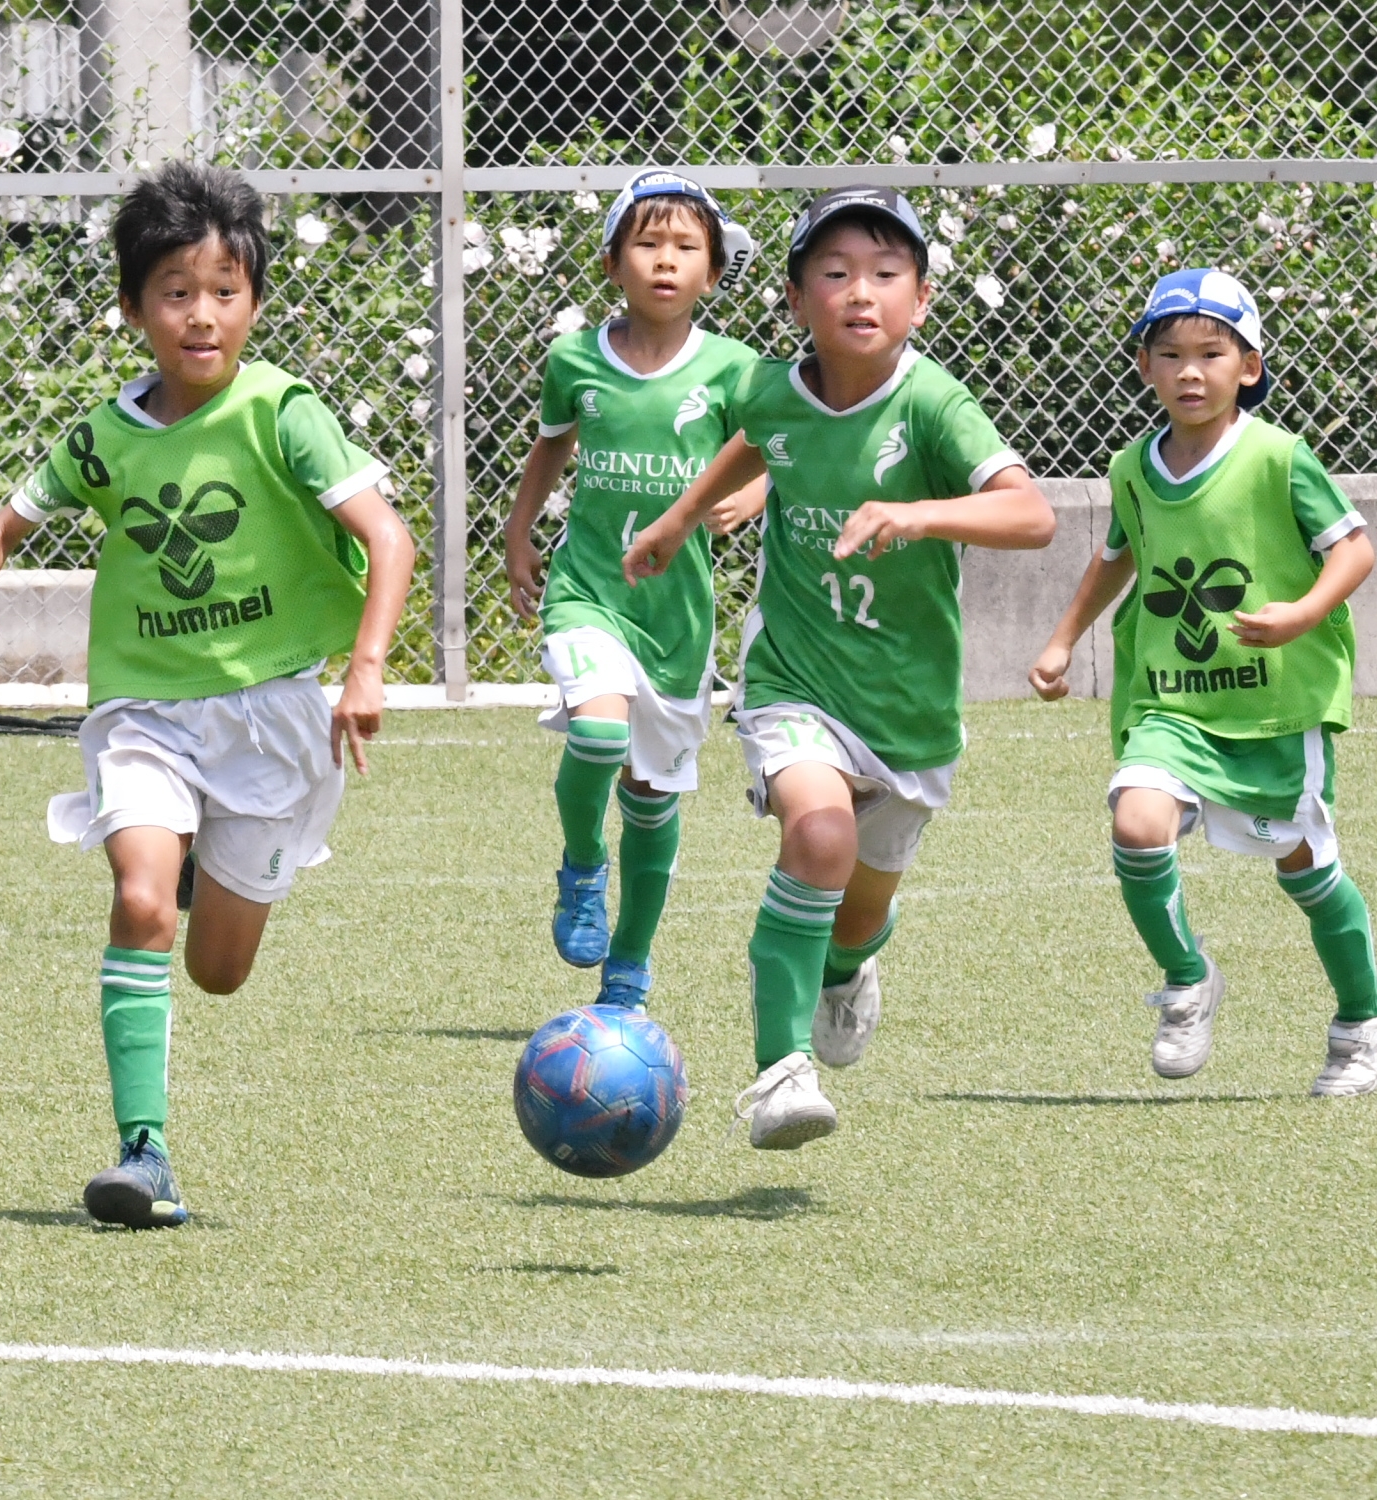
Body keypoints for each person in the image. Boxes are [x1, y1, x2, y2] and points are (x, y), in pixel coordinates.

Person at [0, 163, 416, 1226]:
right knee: (141, 900)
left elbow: (388, 538)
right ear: (132, 308)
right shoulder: (104, 437)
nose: (203, 315)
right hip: (143, 710)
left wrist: (366, 669)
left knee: (219, 971)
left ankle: (200, 854)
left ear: (256, 302)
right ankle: (143, 1154)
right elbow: (1, 526)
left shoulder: (283, 413)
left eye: (226, 291)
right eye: (177, 292)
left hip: (272, 716)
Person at [624, 186, 1053, 1149]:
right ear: (793, 298)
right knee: (816, 834)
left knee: (856, 917)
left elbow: (1030, 516)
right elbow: (756, 438)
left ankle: (844, 969)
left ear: (922, 299)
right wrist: (680, 519)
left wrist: (917, 514)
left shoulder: (934, 403)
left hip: (907, 708)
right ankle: (779, 1073)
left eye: (886, 273)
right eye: (834, 272)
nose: (861, 291)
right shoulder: (773, 387)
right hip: (794, 677)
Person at [1030, 269, 1377, 1094]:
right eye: (1170, 354)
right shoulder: (1130, 468)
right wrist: (1060, 639)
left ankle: (1358, 1022)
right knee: (1135, 822)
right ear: (1143, 366)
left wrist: (1300, 614)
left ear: (1247, 367)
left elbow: (1353, 547)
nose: (1189, 371)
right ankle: (1187, 978)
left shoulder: (1278, 458)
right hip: (1171, 702)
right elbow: (1115, 556)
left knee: (1306, 871)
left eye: (1211, 354)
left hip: (1272, 707)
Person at [502, 169, 764, 1012]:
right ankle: (583, 863)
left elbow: (774, 448)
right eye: (647, 243)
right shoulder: (575, 359)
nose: (665, 260)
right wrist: (517, 532)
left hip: (676, 620)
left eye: (685, 247)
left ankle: (628, 969)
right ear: (612, 263)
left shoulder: (735, 369)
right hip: (590, 590)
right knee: (597, 733)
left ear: (712, 273)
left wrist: (755, 493)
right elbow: (551, 445)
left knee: (652, 802)